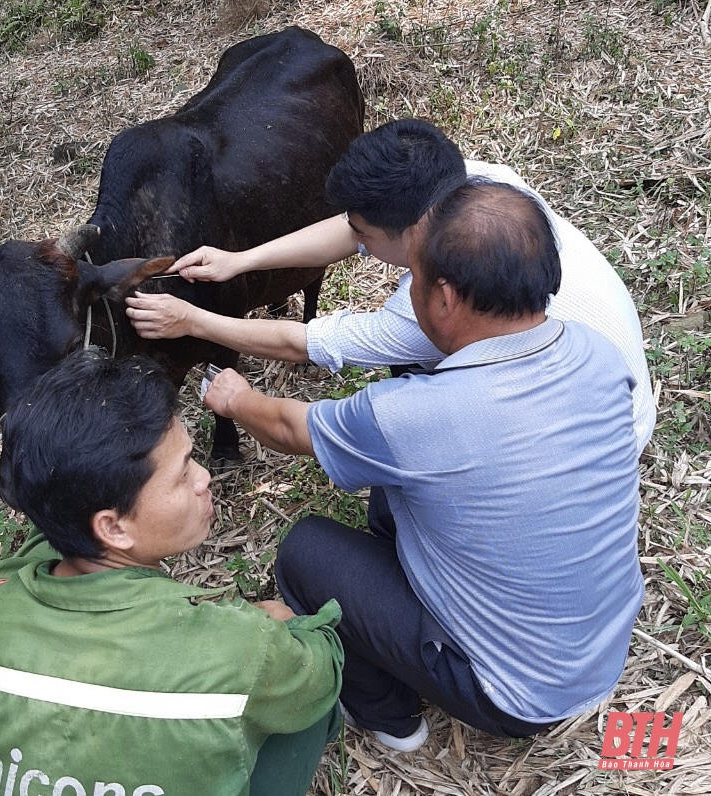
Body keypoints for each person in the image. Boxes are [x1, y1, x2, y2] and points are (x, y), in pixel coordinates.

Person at [199, 178, 644, 751]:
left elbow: (289, 427)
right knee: (401, 481)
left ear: (445, 297)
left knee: (306, 552)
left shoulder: (418, 418)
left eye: (412, 275)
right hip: (601, 650)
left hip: (515, 695)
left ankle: (393, 719)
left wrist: (234, 399)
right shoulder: (595, 352)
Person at [124, 118, 655, 455]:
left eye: (365, 235)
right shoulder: (483, 188)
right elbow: (351, 229)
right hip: (605, 378)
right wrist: (239, 261)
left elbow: (300, 344)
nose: (355, 240)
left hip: (603, 439)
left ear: (409, 232)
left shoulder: (433, 311)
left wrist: (190, 320)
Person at [0, 352, 343, 796]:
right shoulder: (238, 649)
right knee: (304, 709)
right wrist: (284, 627)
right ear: (112, 527)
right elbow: (323, 672)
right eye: (182, 475)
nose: (204, 478)